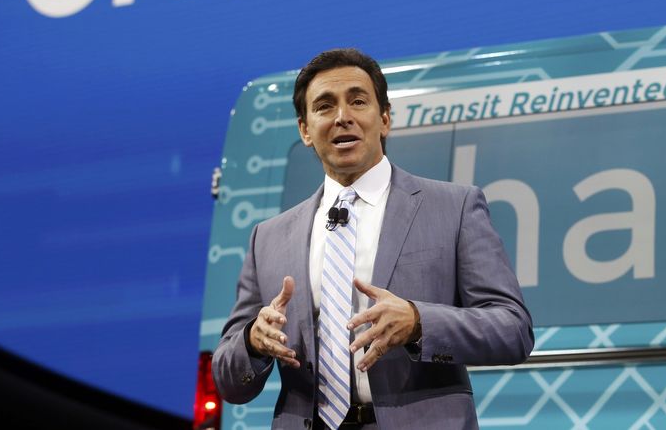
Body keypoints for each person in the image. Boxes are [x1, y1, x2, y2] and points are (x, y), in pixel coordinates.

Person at [212, 48, 534, 429]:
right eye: (324, 106)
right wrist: (252, 341)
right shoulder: (267, 238)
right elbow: (229, 382)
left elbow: (513, 330)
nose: (342, 117)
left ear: (384, 119)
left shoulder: (454, 208)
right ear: (305, 130)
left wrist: (418, 322)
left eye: (358, 101)